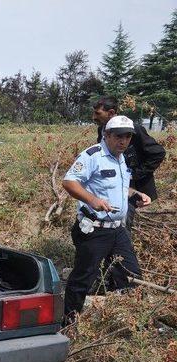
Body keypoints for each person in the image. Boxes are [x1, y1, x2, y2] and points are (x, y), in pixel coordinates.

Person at [62, 115, 152, 324]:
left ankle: (126, 322)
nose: (124, 141)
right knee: (83, 278)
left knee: (130, 275)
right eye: (119, 136)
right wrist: (92, 199)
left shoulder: (122, 157)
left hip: (117, 230)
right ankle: (68, 324)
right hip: (95, 229)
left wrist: (135, 194)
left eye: (128, 136)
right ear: (107, 135)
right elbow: (69, 182)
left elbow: (117, 187)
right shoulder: (93, 155)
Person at [92, 96, 166, 229]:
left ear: (111, 113)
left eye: (98, 113)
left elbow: (158, 152)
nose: (94, 117)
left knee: (124, 223)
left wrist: (134, 174)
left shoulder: (133, 129)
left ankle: (122, 248)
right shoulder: (101, 130)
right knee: (109, 220)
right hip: (110, 183)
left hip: (130, 187)